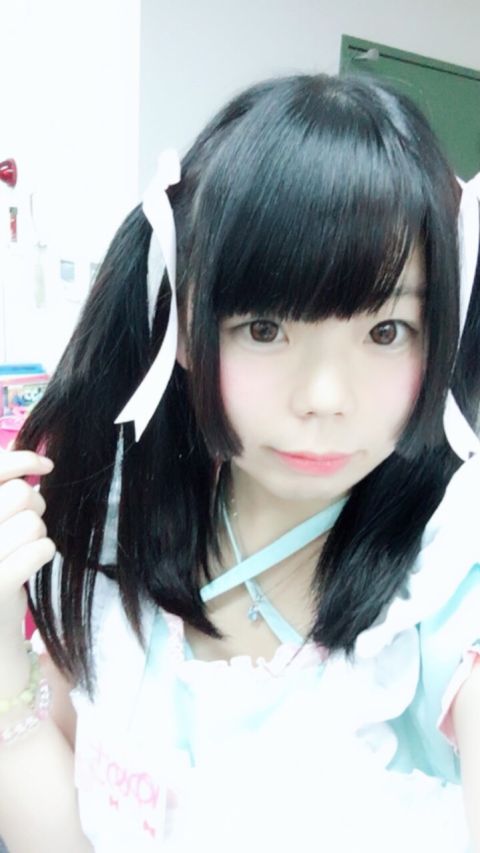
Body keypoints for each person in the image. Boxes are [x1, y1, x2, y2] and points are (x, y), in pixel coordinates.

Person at [0, 72, 479, 852]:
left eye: (386, 331)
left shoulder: (443, 577)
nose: (325, 397)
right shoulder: (115, 524)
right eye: (265, 328)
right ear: (187, 329)